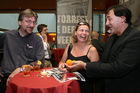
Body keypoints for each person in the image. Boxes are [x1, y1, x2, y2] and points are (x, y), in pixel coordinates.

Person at [66, 5, 140, 93]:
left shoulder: (135, 37)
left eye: (109, 19)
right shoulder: (112, 38)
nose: (107, 24)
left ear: (122, 19)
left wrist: (84, 65)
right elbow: (104, 63)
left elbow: (118, 68)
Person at [0, 9, 45, 93]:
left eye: (34, 22)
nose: (32, 25)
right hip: (6, 79)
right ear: (20, 22)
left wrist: (21, 69)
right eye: (28, 21)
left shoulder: (37, 40)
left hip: (28, 79)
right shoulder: (7, 36)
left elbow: (40, 62)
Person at [58, 21, 99, 93]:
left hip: (84, 88)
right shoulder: (70, 46)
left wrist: (82, 67)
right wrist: (61, 66)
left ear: (88, 34)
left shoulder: (92, 50)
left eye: (86, 31)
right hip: (68, 86)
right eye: (81, 30)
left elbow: (96, 72)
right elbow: (62, 62)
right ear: (75, 33)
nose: (84, 33)